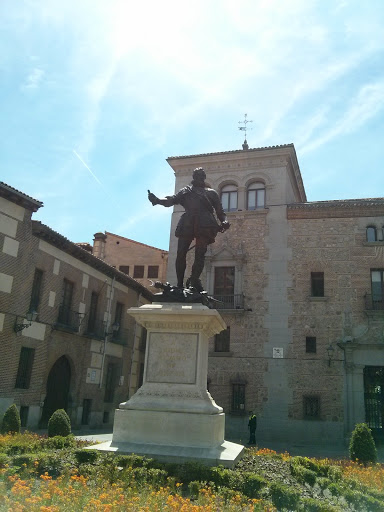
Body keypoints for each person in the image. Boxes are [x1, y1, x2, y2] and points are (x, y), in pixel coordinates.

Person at [148, 167, 229, 291]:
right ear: (194, 177)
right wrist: (157, 200)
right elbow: (171, 200)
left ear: (204, 177)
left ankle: (194, 281)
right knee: (181, 253)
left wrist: (224, 221)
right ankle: (179, 284)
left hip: (205, 224)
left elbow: (220, 211)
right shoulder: (185, 191)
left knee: (200, 255)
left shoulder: (211, 193)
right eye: (197, 175)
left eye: (201, 175)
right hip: (187, 223)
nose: (199, 177)